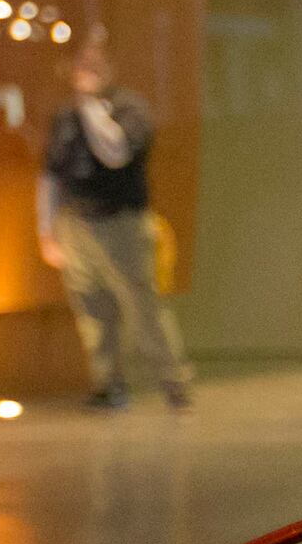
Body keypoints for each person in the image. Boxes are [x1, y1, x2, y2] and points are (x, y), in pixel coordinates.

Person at [38, 41, 192, 411]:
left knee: (142, 307)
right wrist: (46, 231)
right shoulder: (64, 116)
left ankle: (173, 380)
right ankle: (108, 384)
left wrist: (91, 106)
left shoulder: (130, 109)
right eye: (81, 62)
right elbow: (50, 176)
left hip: (120, 223)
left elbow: (116, 152)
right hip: (77, 224)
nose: (87, 68)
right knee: (92, 311)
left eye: (95, 62)